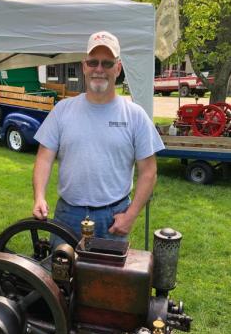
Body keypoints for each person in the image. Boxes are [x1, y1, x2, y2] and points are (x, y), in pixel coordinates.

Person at [32, 31, 164, 240]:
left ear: (118, 68)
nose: (99, 69)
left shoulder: (135, 115)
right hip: (67, 215)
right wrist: (39, 196)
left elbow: (149, 171)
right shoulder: (62, 110)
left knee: (109, 274)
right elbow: (44, 157)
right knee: (63, 272)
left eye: (107, 63)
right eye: (93, 62)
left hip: (113, 218)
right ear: (84, 66)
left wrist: (130, 216)